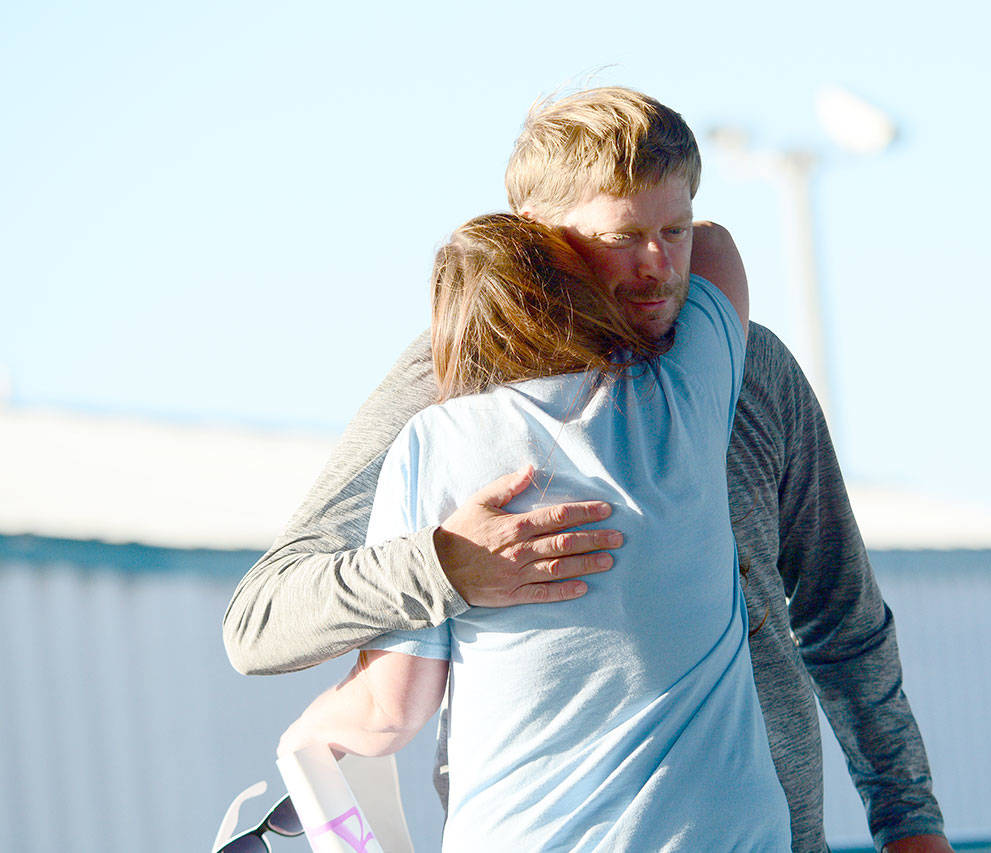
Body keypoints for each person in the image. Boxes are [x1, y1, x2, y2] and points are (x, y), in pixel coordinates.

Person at [223, 86, 952, 853]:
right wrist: (444, 565)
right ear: (538, 243)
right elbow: (260, 624)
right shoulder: (440, 389)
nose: (657, 266)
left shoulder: (746, 365)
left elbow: (842, 617)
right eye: (620, 237)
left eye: (675, 228)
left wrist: (910, 820)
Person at [277, 210, 790, 849]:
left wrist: (304, 735)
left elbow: (391, 710)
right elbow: (713, 242)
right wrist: (582, 231)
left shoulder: (434, 443)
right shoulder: (682, 396)